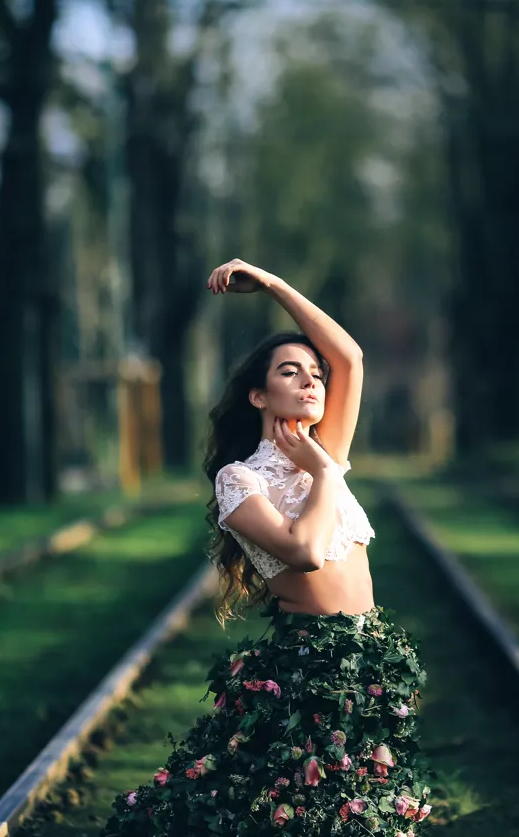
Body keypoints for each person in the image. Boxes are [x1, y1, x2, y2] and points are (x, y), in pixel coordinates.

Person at [103, 259, 433, 836]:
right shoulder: (240, 480)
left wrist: (275, 286)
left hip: (370, 658)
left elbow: (350, 358)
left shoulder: (322, 451)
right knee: (308, 814)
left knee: (367, 809)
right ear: (258, 396)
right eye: (290, 371)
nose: (312, 381)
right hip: (312, 667)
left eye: (314, 374)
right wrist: (325, 475)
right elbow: (304, 552)